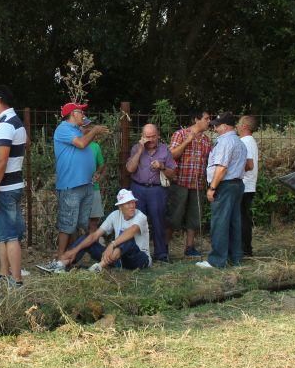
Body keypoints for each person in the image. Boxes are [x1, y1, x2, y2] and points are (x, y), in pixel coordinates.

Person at [39, 102, 109, 272]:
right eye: (81, 112)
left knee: (80, 224)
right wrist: (95, 130)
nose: (83, 114)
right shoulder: (63, 129)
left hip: (86, 185)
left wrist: (91, 129)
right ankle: (59, 260)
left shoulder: (76, 129)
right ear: (72, 113)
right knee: (67, 224)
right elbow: (81, 144)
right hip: (71, 185)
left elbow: (85, 133)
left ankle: (69, 260)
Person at [48, 189, 152, 273]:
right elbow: (95, 235)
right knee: (88, 238)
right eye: (128, 203)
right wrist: (74, 251)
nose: (132, 206)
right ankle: (62, 264)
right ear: (120, 207)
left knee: (127, 238)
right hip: (116, 258)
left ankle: (98, 268)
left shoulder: (140, 216)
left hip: (139, 259)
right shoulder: (114, 215)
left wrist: (112, 245)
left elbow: (132, 230)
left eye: (133, 202)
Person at [0, 86, 27, 286]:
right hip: (14, 184)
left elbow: (1, 161)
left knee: (9, 237)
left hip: (5, 188)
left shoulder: (5, 125)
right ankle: (5, 276)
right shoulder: (16, 123)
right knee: (5, 235)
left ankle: (16, 281)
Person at [196, 112, 248, 269]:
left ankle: (217, 260)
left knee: (220, 222)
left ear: (225, 127)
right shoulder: (239, 142)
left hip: (224, 185)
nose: (215, 128)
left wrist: (212, 187)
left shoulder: (225, 142)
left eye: (217, 126)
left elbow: (222, 167)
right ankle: (235, 257)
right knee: (234, 222)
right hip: (237, 184)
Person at [126, 123, 176, 263]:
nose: (151, 139)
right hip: (138, 189)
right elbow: (130, 169)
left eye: (153, 136)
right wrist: (140, 150)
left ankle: (161, 254)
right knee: (136, 222)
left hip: (157, 190)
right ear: (142, 137)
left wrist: (162, 166)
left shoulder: (165, 150)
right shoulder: (136, 148)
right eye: (147, 136)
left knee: (158, 221)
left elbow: (172, 174)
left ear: (158, 135)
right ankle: (136, 253)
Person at [167, 110, 212, 258]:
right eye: (206, 118)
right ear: (196, 119)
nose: (208, 121)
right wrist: (187, 141)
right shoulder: (180, 134)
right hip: (180, 181)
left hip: (198, 183)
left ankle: (189, 247)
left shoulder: (206, 140)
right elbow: (171, 155)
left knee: (194, 216)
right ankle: (164, 248)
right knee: (174, 216)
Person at [238, 115, 259, 257]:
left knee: (242, 218)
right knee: (244, 217)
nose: (237, 126)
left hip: (245, 184)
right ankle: (245, 248)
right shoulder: (250, 141)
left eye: (239, 123)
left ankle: (245, 249)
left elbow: (249, 164)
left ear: (245, 126)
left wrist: (234, 169)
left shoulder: (245, 141)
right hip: (249, 185)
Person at [83, 117, 107, 234]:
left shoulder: (95, 146)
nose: (88, 129)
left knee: (93, 220)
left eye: (89, 126)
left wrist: (98, 173)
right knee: (76, 221)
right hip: (77, 188)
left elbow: (102, 165)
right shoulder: (74, 145)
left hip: (93, 187)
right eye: (84, 126)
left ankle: (92, 246)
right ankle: (78, 247)